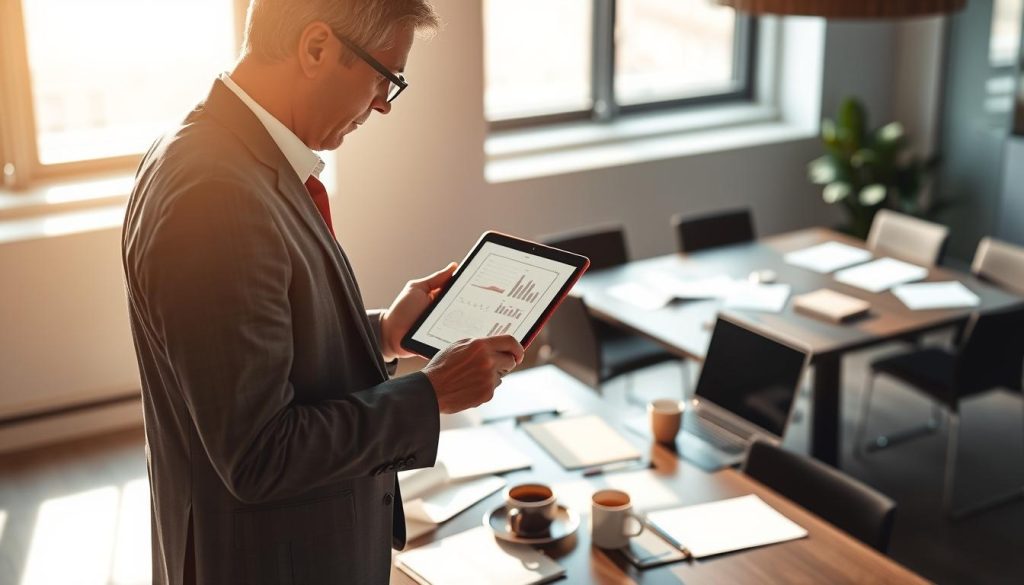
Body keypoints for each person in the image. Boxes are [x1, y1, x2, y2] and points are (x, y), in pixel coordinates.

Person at [121, 1, 524, 583]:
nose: (384, 104)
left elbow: (246, 352)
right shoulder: (216, 195)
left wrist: (381, 333)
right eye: (385, 77)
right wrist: (429, 396)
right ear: (316, 48)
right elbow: (260, 453)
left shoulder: (213, 150)